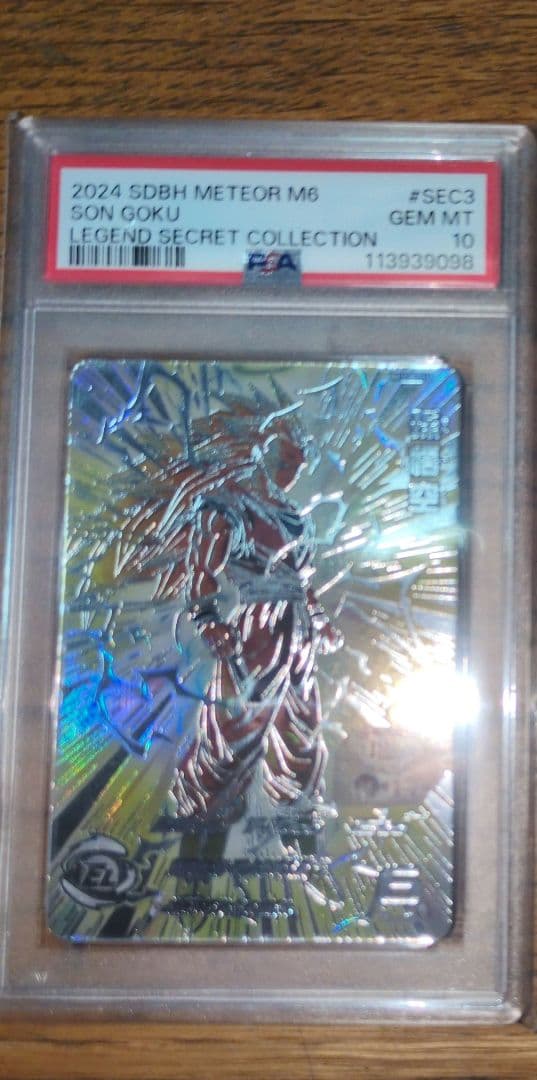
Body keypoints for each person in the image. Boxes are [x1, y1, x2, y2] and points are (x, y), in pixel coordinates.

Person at [116, 399, 342, 820]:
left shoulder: (295, 515)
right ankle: (205, 805)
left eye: (298, 463)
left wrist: (320, 620)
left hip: (297, 631)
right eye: (286, 460)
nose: (292, 472)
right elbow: (202, 570)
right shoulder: (227, 506)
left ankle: (294, 806)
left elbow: (302, 581)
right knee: (238, 720)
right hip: (256, 624)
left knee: (301, 718)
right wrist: (208, 622)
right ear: (264, 455)